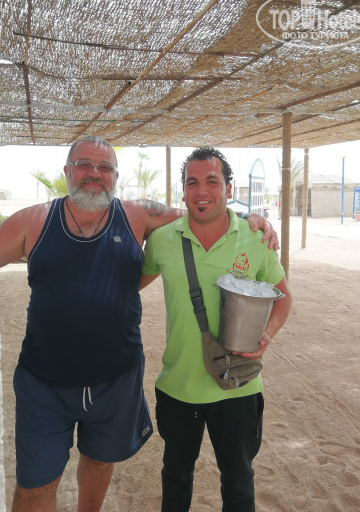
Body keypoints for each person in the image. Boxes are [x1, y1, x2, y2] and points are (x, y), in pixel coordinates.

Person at [0, 136, 278, 512]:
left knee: (100, 463)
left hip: (116, 379)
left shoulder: (137, 215)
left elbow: (202, 210)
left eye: (105, 167)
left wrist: (249, 219)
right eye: (84, 164)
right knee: (35, 486)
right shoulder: (34, 220)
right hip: (44, 381)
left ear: (116, 176)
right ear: (66, 171)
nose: (94, 174)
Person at [140, 147, 292, 512]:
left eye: (212, 181)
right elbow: (128, 286)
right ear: (183, 191)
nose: (202, 190)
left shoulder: (256, 239)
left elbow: (283, 297)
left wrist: (266, 336)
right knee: (175, 477)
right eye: (192, 182)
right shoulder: (162, 240)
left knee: (238, 480)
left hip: (238, 384)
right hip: (178, 386)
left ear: (228, 188)